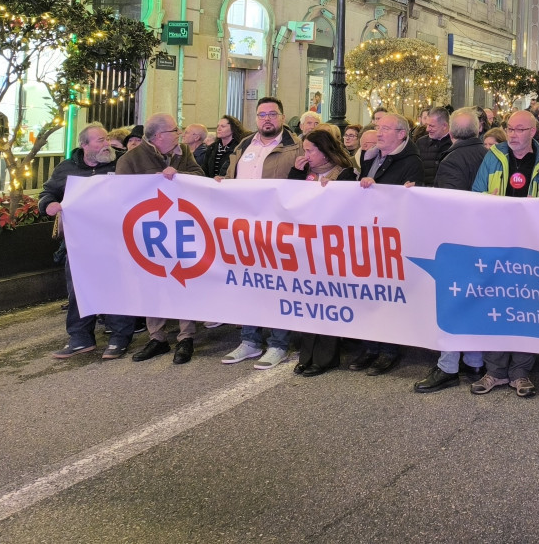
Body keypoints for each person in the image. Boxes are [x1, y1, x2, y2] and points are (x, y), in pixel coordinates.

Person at [470, 109, 539, 398]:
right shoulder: (494, 156)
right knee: (496, 305)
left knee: (526, 308)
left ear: (534, 131)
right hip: (497, 241)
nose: (514, 134)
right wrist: (486, 201)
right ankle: (494, 371)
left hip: (531, 245)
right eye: (510, 129)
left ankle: (520, 372)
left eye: (520, 130)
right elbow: (477, 191)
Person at [220, 97, 303, 369]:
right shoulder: (244, 145)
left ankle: (278, 343)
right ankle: (250, 340)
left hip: (278, 226)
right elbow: (232, 176)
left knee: (278, 285)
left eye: (272, 114)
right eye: (261, 114)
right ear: (256, 118)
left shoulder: (296, 145)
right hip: (244, 226)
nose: (267, 119)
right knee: (248, 283)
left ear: (281, 117)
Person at [117, 113, 206, 364]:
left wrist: (177, 174)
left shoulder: (182, 153)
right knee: (152, 282)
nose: (179, 133)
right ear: (158, 136)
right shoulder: (130, 160)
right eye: (174, 130)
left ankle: (186, 337)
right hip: (149, 231)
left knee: (182, 279)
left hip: (180, 226)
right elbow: (123, 195)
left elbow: (200, 176)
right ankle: (157, 337)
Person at [42, 123, 131, 359]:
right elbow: (48, 193)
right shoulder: (66, 169)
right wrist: (48, 204)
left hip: (116, 240)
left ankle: (119, 338)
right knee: (79, 291)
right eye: (99, 141)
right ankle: (80, 338)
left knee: (115, 288)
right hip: (79, 242)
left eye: (107, 139)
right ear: (84, 145)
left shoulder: (121, 162)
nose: (106, 144)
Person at [415, 108, 488, 393]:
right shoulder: (489, 155)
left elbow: (449, 205)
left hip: (458, 241)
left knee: (452, 301)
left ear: (452, 132)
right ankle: (474, 360)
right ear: (478, 130)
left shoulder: (453, 159)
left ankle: (448, 365)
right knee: (474, 301)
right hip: (484, 239)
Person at [354, 111, 424, 374]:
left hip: (391, 237)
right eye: (377, 127)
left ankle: (388, 350)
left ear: (401, 134)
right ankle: (370, 347)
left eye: (385, 129)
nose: (378, 133)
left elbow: (410, 197)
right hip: (368, 232)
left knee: (387, 296)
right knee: (367, 294)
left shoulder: (411, 162)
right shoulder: (372, 157)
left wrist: (379, 189)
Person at [288, 129, 358, 377]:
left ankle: (326, 356)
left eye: (309, 150)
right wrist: (296, 173)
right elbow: (287, 200)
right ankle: (307, 354)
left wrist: (332, 192)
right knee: (308, 299)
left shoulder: (345, 174)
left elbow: (350, 207)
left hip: (331, 246)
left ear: (324, 151)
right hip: (305, 243)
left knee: (328, 300)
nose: (305, 155)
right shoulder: (304, 173)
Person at [417, 107, 453, 186]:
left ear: (444, 126)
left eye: (431, 126)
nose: (427, 129)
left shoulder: (454, 144)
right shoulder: (421, 142)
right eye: (427, 125)